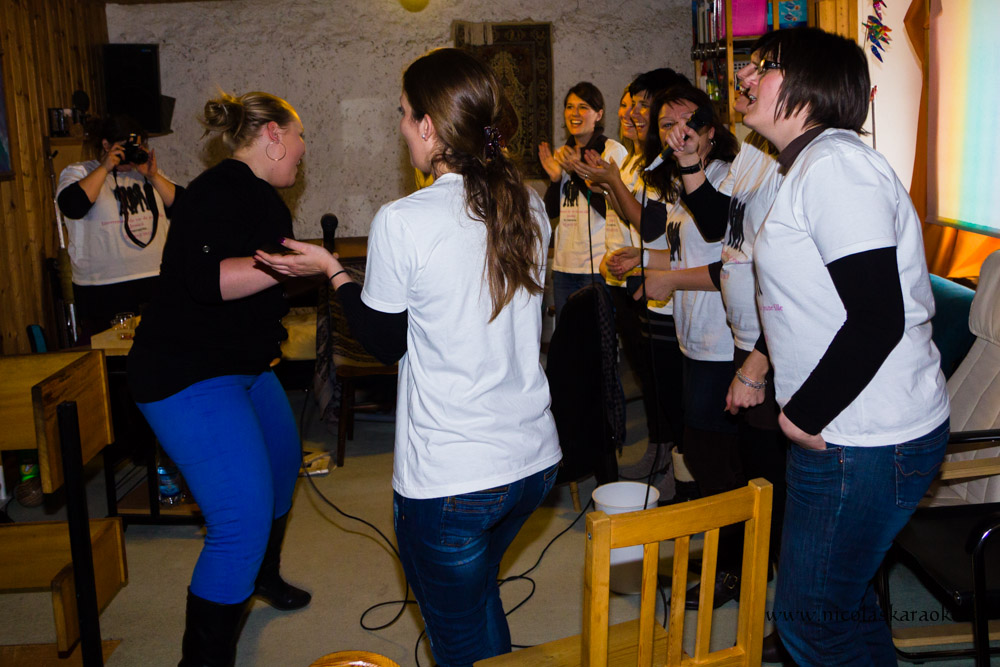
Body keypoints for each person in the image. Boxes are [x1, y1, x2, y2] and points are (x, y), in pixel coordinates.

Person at [256, 48, 562, 667]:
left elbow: (384, 342)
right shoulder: (527, 201)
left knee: (458, 641)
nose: (399, 127)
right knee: (478, 601)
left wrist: (332, 271)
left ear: (428, 126)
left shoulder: (404, 220)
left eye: (403, 113)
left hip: (454, 479)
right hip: (532, 464)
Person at [740, 27, 949, 665]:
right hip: (850, 429)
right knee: (843, 605)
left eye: (762, 67)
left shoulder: (834, 166)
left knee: (810, 621)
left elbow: (877, 318)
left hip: (861, 436)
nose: (745, 77)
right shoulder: (806, 165)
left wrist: (799, 417)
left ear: (810, 85)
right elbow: (806, 297)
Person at [127, 91, 313, 667]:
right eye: (299, 136)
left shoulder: (259, 196)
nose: (303, 149)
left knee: (282, 469)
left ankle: (262, 577)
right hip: (186, 370)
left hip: (242, 365)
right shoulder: (220, 189)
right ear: (273, 135)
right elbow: (208, 281)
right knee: (239, 521)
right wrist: (291, 267)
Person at [579, 69, 691, 495]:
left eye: (644, 105)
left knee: (673, 388)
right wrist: (604, 184)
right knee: (653, 379)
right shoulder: (640, 161)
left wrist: (609, 183)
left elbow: (653, 228)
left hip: (669, 287)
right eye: (630, 105)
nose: (634, 113)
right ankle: (663, 453)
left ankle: (679, 468)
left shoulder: (667, 164)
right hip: (638, 273)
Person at [56, 114, 180, 343]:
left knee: (159, 349)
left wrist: (153, 176)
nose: (133, 152)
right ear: (106, 145)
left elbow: (184, 207)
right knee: (113, 352)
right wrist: (105, 166)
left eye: (138, 146)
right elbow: (72, 206)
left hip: (155, 279)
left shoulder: (148, 176)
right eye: (126, 146)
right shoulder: (80, 172)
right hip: (104, 287)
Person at [538, 82, 628, 322]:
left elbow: (616, 208)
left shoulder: (611, 151)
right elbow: (552, 212)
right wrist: (555, 180)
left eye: (583, 107)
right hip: (564, 266)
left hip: (599, 265)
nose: (574, 113)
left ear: (598, 115)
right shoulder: (563, 153)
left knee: (598, 337)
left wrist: (577, 172)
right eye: (569, 107)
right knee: (567, 337)